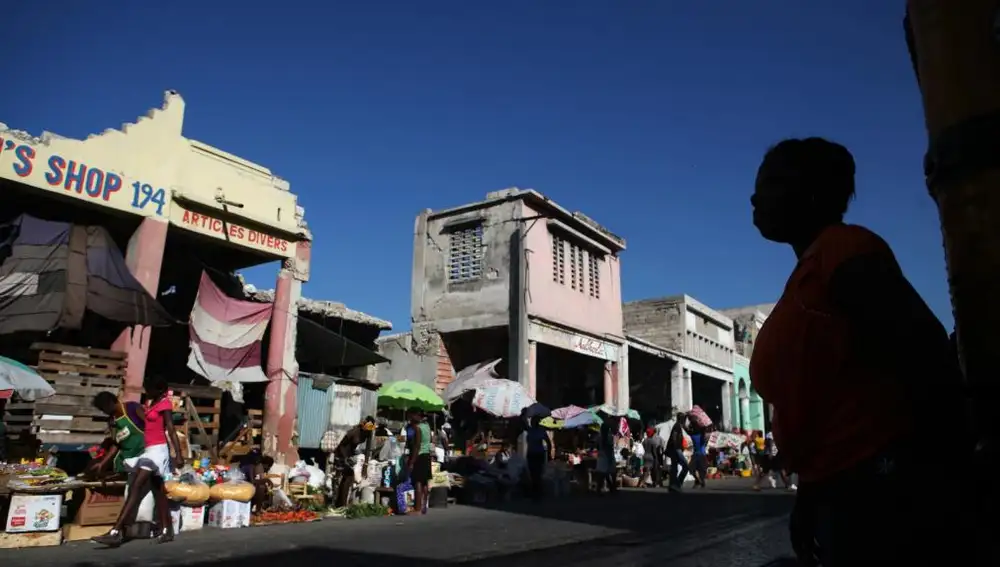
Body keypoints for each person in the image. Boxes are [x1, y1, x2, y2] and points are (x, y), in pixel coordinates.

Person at [749, 137, 970, 565]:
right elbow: (823, 402)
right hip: (839, 487)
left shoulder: (846, 254)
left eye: (771, 183)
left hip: (877, 491)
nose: (755, 197)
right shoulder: (808, 272)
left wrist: (928, 477)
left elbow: (924, 354)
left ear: (810, 193)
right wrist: (811, 491)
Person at [93, 377, 182, 547]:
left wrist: (177, 454)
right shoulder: (149, 404)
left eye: (149, 389)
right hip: (149, 450)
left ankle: (115, 531)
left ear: (159, 390)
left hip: (158, 450)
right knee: (158, 491)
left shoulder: (165, 404)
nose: (146, 392)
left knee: (136, 486)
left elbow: (170, 428)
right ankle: (167, 530)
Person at [86, 392, 146, 479]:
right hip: (127, 457)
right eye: (102, 409)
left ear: (112, 401)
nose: (104, 411)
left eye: (104, 407)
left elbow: (151, 426)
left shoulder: (132, 408)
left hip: (143, 453)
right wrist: (102, 463)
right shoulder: (111, 421)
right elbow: (116, 444)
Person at [333, 416, 375, 508]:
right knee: (348, 476)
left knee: (348, 478)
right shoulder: (354, 432)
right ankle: (341, 503)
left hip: (349, 455)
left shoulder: (368, 433)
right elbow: (341, 445)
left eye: (371, 427)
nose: (369, 429)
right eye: (368, 426)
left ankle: (341, 503)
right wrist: (345, 459)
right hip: (341, 454)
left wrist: (366, 464)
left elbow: (368, 449)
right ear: (364, 424)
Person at [405, 410, 433, 514]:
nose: (410, 418)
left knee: (417, 482)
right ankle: (424, 506)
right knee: (425, 481)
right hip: (427, 455)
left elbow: (417, 446)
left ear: (417, 416)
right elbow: (430, 440)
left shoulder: (417, 428)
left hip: (420, 456)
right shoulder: (427, 426)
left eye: (412, 415)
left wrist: (412, 462)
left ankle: (417, 508)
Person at [524, 417, 551, 500]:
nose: (532, 422)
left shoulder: (537, 431)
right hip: (533, 453)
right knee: (534, 473)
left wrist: (549, 453)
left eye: (533, 421)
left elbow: (548, 443)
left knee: (537, 473)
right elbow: (548, 443)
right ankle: (536, 491)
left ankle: (537, 491)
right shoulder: (531, 430)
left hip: (536, 453)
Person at [666, 414, 689, 492]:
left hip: (675, 449)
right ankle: (677, 484)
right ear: (682, 419)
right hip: (676, 449)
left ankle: (673, 485)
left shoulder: (678, 426)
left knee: (674, 468)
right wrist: (676, 449)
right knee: (685, 466)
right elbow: (674, 437)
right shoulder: (677, 426)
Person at [688, 424, 709, 488]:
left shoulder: (695, 436)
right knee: (699, 469)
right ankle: (700, 481)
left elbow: (688, 431)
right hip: (699, 454)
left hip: (698, 454)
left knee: (693, 469)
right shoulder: (699, 436)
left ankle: (699, 481)